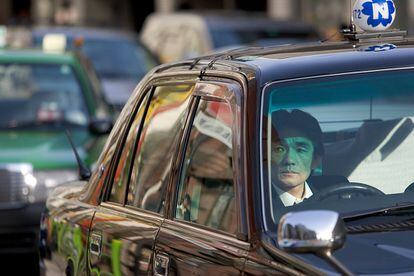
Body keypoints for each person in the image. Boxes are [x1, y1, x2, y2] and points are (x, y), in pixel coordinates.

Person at [270, 109, 324, 206]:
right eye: (279, 149)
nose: (289, 160)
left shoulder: (333, 201)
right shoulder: (252, 205)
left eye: (300, 150)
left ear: (315, 160)